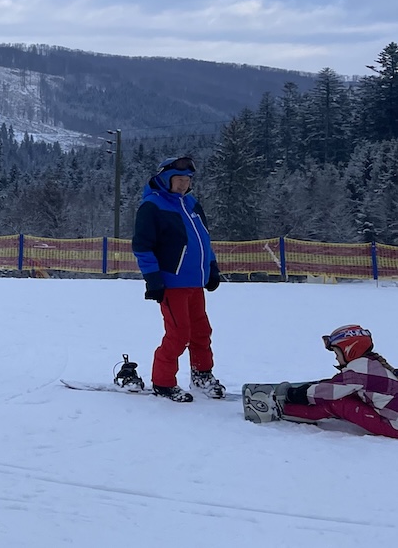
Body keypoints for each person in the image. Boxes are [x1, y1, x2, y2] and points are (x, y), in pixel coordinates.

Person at [132, 155, 224, 402]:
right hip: (172, 283)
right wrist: (153, 278)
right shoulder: (152, 206)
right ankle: (163, 382)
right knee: (179, 334)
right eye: (178, 179)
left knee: (201, 331)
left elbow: (204, 239)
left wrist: (211, 267)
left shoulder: (191, 203)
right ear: (164, 179)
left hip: (196, 282)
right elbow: (142, 246)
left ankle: (202, 375)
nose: (183, 184)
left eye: (187, 180)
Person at [244, 325, 398, 439]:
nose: (336, 357)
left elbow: (330, 392)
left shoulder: (359, 370)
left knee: (338, 403)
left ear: (350, 350)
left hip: (393, 426)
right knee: (346, 395)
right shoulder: (370, 363)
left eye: (337, 352)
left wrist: (297, 394)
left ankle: (284, 409)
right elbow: (340, 384)